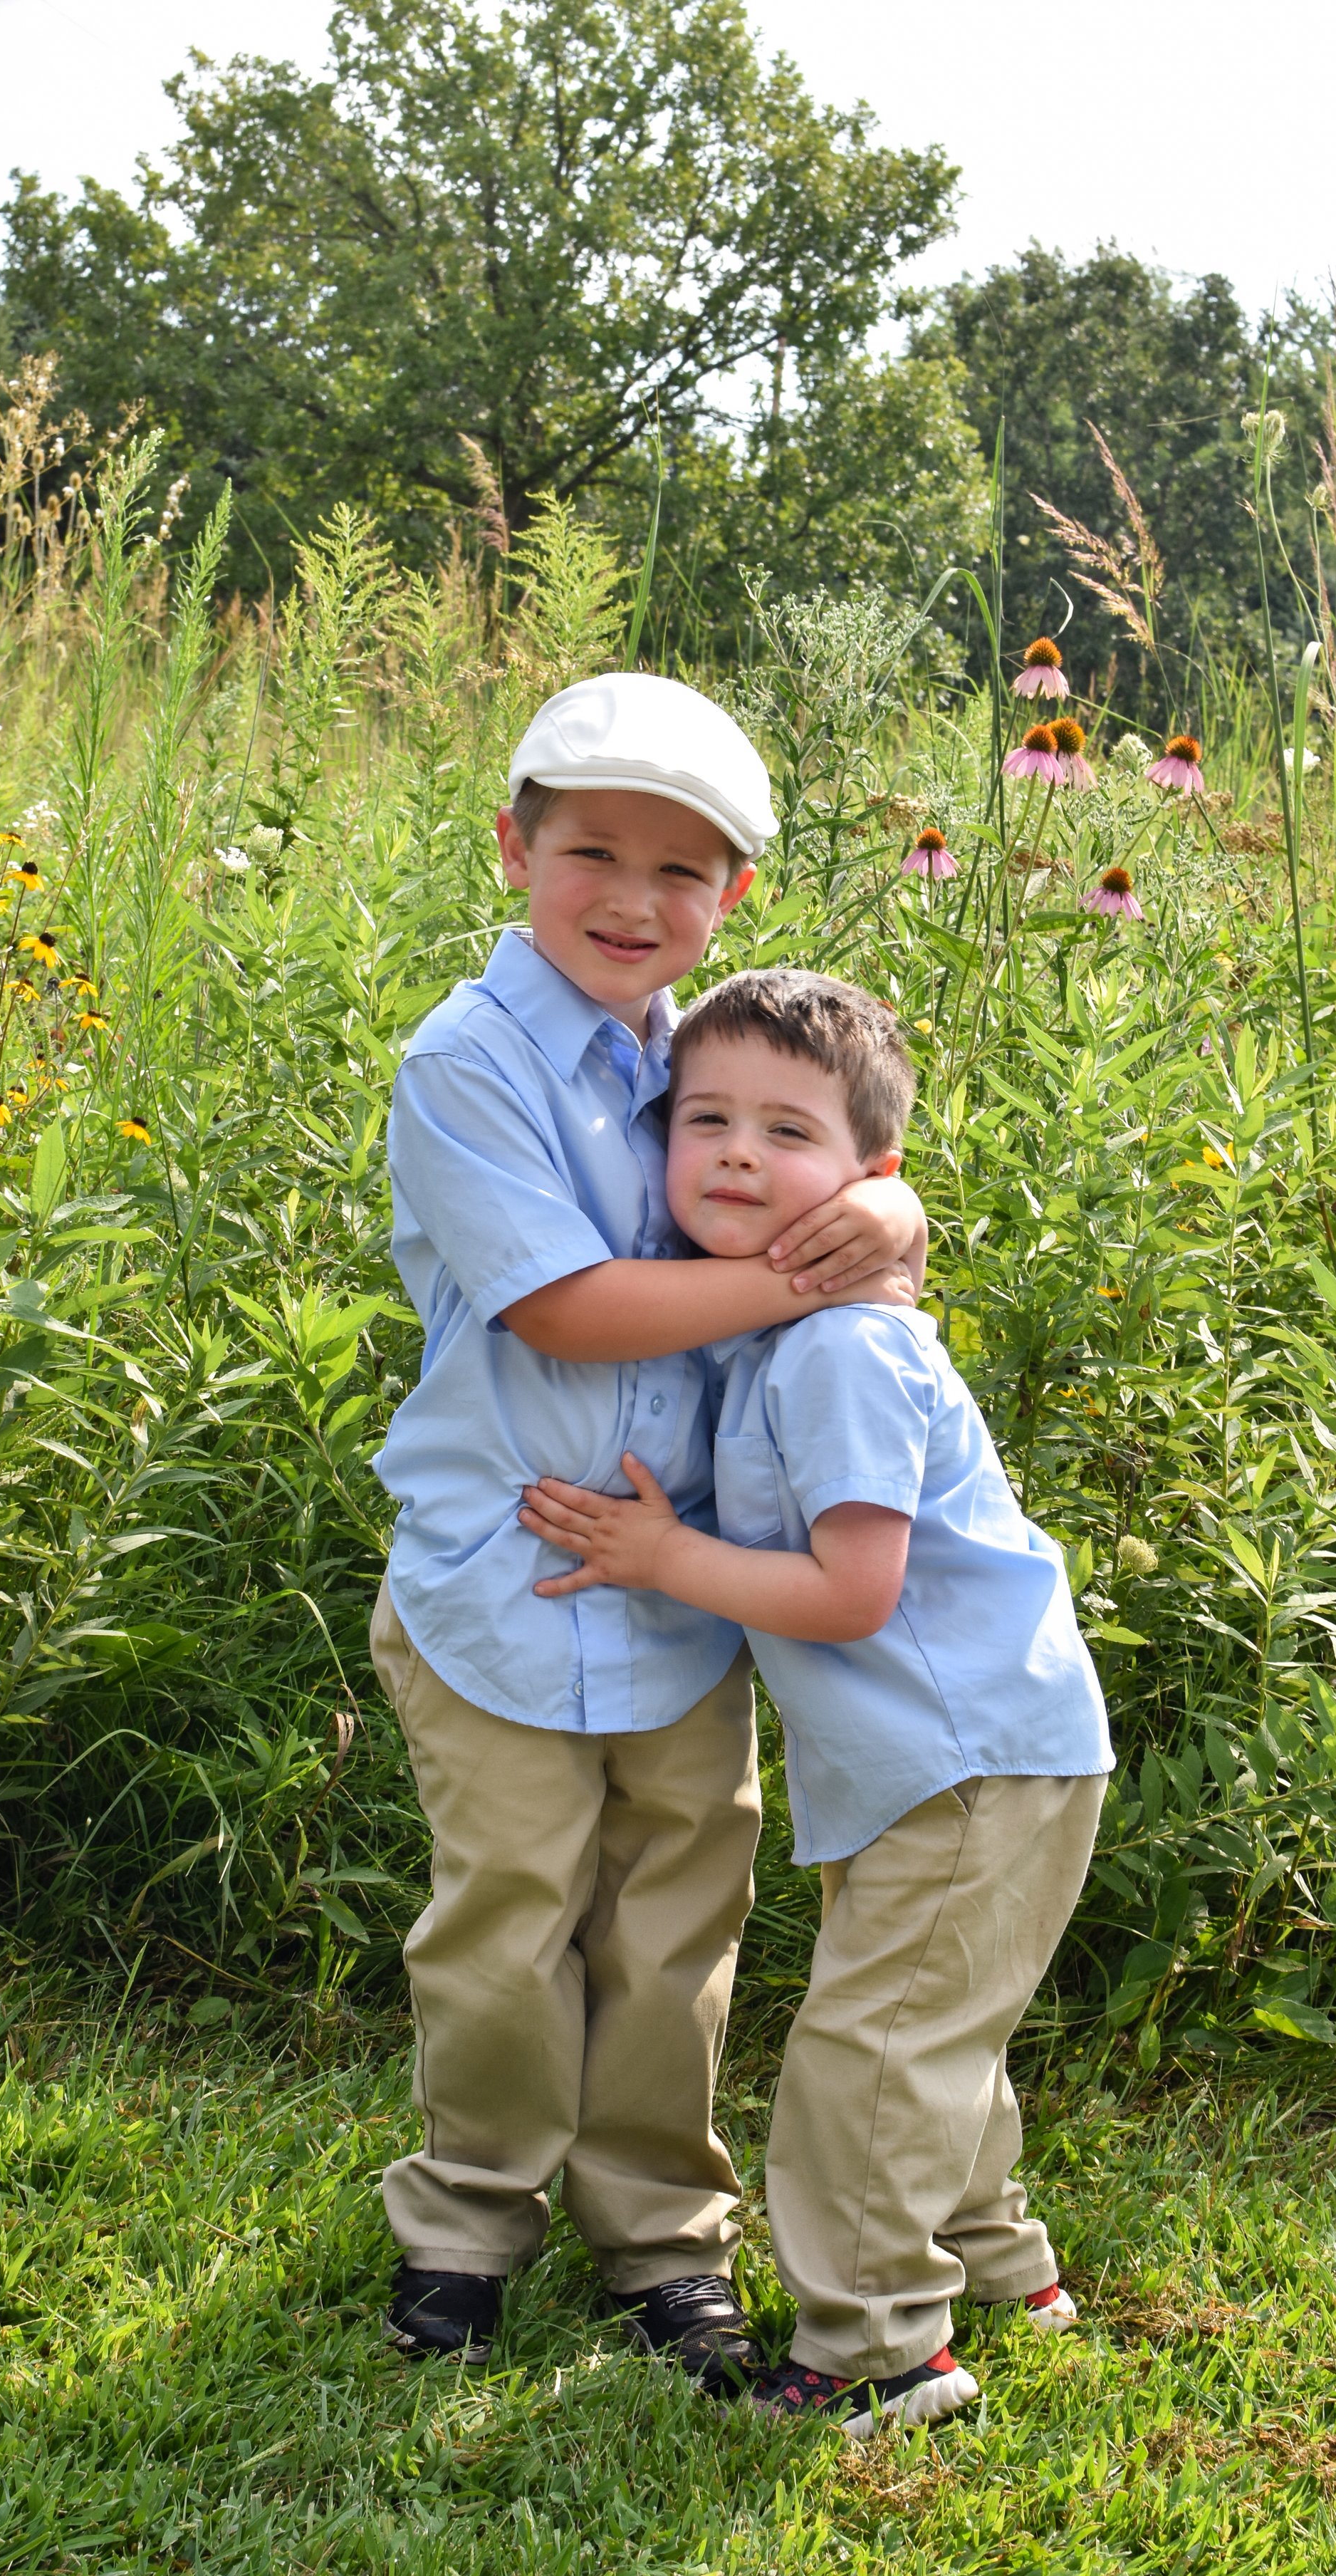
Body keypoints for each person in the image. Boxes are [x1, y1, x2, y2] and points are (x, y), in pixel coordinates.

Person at [370, 680, 927, 2391]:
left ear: (732, 893)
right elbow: (561, 1306)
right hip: (508, 1575)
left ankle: (660, 2241)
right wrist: (813, 1273)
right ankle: (468, 2219)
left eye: (678, 870)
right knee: (506, 1917)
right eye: (589, 853)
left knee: (675, 1924)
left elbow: (847, 1158)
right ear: (511, 846)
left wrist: (890, 1205)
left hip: (683, 1591)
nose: (630, 899)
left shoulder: (707, 1059)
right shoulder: (467, 1063)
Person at [519, 968, 1111, 2437]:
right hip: (952, 1751)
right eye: (705, 1120)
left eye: (787, 1132)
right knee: (927, 2027)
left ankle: (876, 2348)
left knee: (872, 2054)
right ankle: (998, 2263)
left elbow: (853, 1590)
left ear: (868, 1177)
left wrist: (663, 1555)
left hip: (966, 1755)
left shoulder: (840, 1349)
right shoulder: (783, 1331)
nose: (736, 1154)